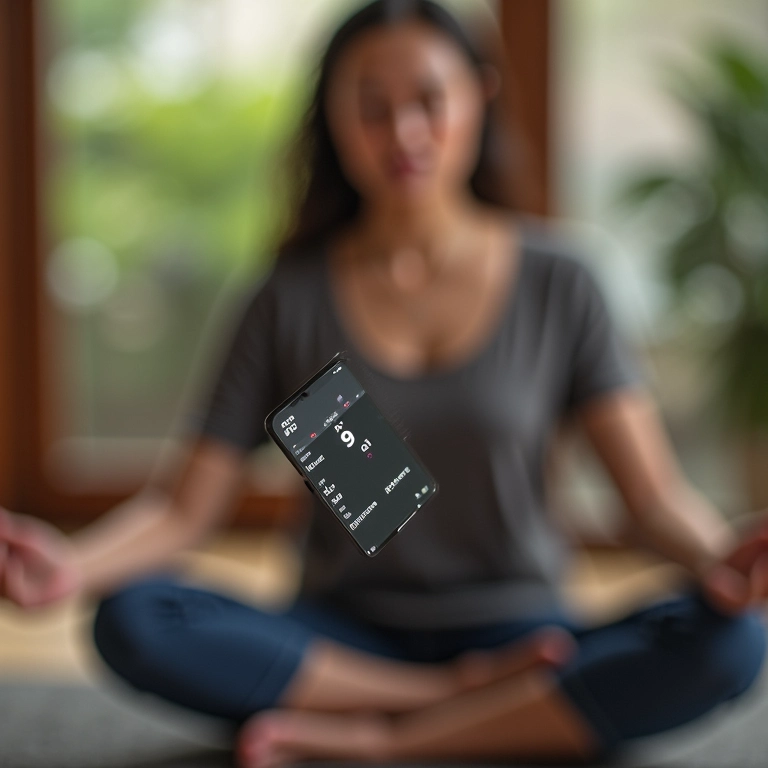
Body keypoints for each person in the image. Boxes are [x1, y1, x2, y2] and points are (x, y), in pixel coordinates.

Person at [2, 1, 768, 766]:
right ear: (331, 122)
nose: (404, 133)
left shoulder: (559, 282)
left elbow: (653, 500)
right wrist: (69, 566)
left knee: (731, 642)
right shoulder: (286, 298)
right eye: (371, 108)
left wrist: (722, 560)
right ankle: (463, 706)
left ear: (481, 97)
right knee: (133, 616)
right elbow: (182, 508)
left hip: (525, 632)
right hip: (342, 640)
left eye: (429, 100)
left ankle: (381, 741)